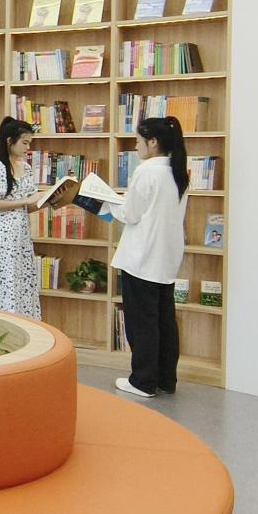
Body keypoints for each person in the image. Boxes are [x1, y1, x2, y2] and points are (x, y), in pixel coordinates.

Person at [108, 117, 190, 398]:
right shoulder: (178, 172)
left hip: (142, 257)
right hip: (165, 258)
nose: (136, 146)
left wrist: (107, 200)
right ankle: (166, 379)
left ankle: (143, 381)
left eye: (138, 141)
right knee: (164, 321)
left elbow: (129, 214)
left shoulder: (146, 171)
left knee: (142, 322)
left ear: (153, 142)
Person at [0, 116, 48, 320]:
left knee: (22, 284)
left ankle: (24, 326)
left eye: (30, 143)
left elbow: (28, 207)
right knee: (6, 283)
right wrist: (27, 200)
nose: (28, 147)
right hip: (4, 239)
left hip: (22, 238)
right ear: (10, 141)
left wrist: (51, 200)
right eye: (25, 143)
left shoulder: (25, 168)